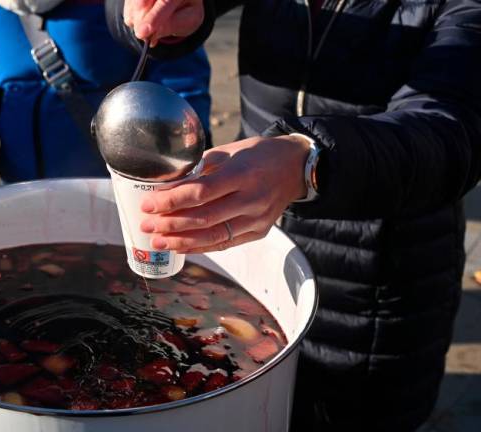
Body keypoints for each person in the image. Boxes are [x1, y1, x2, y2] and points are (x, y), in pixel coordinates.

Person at [108, 0, 481, 430]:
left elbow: (454, 132)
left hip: (373, 295)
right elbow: (127, 16)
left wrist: (310, 162)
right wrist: (150, 12)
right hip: (247, 263)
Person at [0, 0, 212, 196]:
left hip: (123, 196)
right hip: (19, 194)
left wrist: (181, 169)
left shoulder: (134, 5)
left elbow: (179, 87)